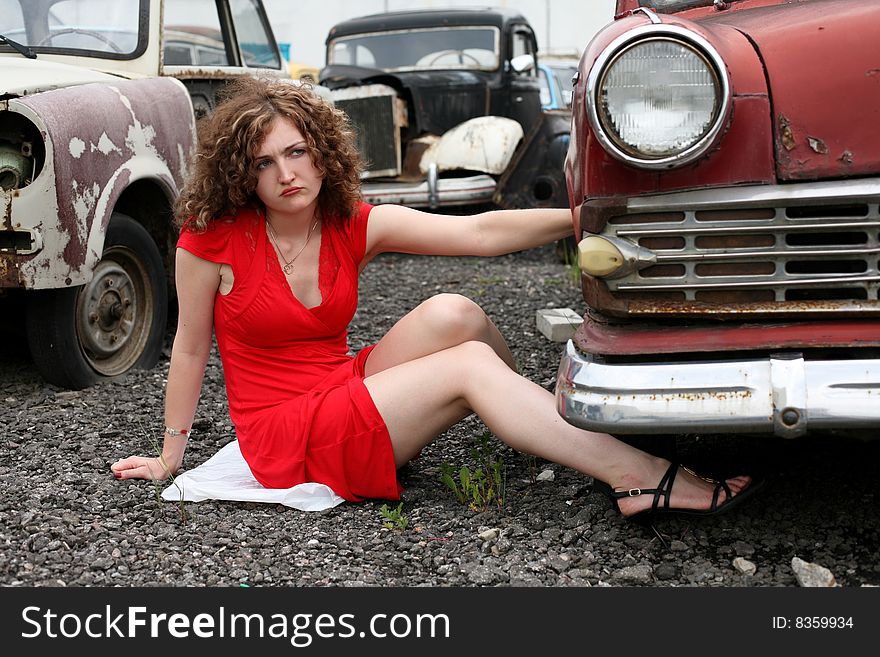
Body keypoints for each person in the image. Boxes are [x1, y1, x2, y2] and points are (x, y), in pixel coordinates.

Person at [110, 77, 761, 523]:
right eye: (262, 163)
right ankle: (637, 474)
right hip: (283, 436)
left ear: (320, 152)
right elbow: (191, 345)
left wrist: (581, 217)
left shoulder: (348, 223)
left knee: (458, 312)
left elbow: (477, 232)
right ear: (239, 173)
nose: (285, 174)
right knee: (466, 367)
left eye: (296, 152)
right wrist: (171, 454)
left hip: (340, 386)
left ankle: (542, 427)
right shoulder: (210, 243)